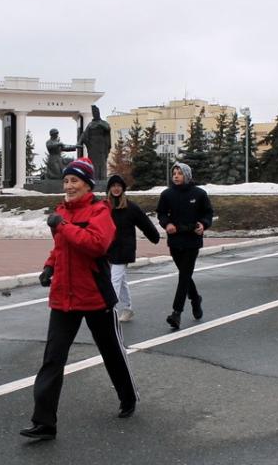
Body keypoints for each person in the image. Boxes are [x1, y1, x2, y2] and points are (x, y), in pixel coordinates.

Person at [21, 157, 137, 441]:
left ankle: (128, 396)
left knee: (111, 351)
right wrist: (49, 266)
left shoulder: (100, 212)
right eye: (66, 181)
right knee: (52, 360)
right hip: (64, 297)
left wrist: (62, 227)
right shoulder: (63, 211)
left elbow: (96, 245)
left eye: (75, 181)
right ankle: (44, 422)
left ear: (87, 185)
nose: (69, 186)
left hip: (95, 296)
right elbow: (61, 249)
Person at [156, 162, 214, 330]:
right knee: (185, 274)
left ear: (187, 175)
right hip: (175, 239)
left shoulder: (199, 194)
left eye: (179, 173)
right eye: (174, 173)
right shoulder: (167, 194)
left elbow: (208, 213)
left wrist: (203, 224)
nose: (175, 175)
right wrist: (166, 224)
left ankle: (176, 313)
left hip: (192, 240)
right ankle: (195, 299)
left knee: (183, 276)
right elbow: (161, 213)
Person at [106, 173, 160, 322]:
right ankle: (128, 308)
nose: (116, 189)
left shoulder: (131, 207)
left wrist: (154, 237)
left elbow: (145, 223)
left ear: (123, 189)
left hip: (124, 249)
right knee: (120, 280)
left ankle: (110, 311)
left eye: (119, 186)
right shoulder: (104, 207)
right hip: (109, 248)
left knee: (114, 280)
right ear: (109, 188)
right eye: (113, 186)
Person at [81, 105, 112, 182]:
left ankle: (102, 178)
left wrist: (100, 124)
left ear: (98, 113)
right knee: (93, 162)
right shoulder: (90, 124)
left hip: (101, 146)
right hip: (92, 146)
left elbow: (107, 128)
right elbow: (84, 134)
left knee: (102, 162)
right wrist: (79, 142)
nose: (95, 114)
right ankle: (94, 178)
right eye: (93, 113)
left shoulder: (103, 122)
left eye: (96, 112)